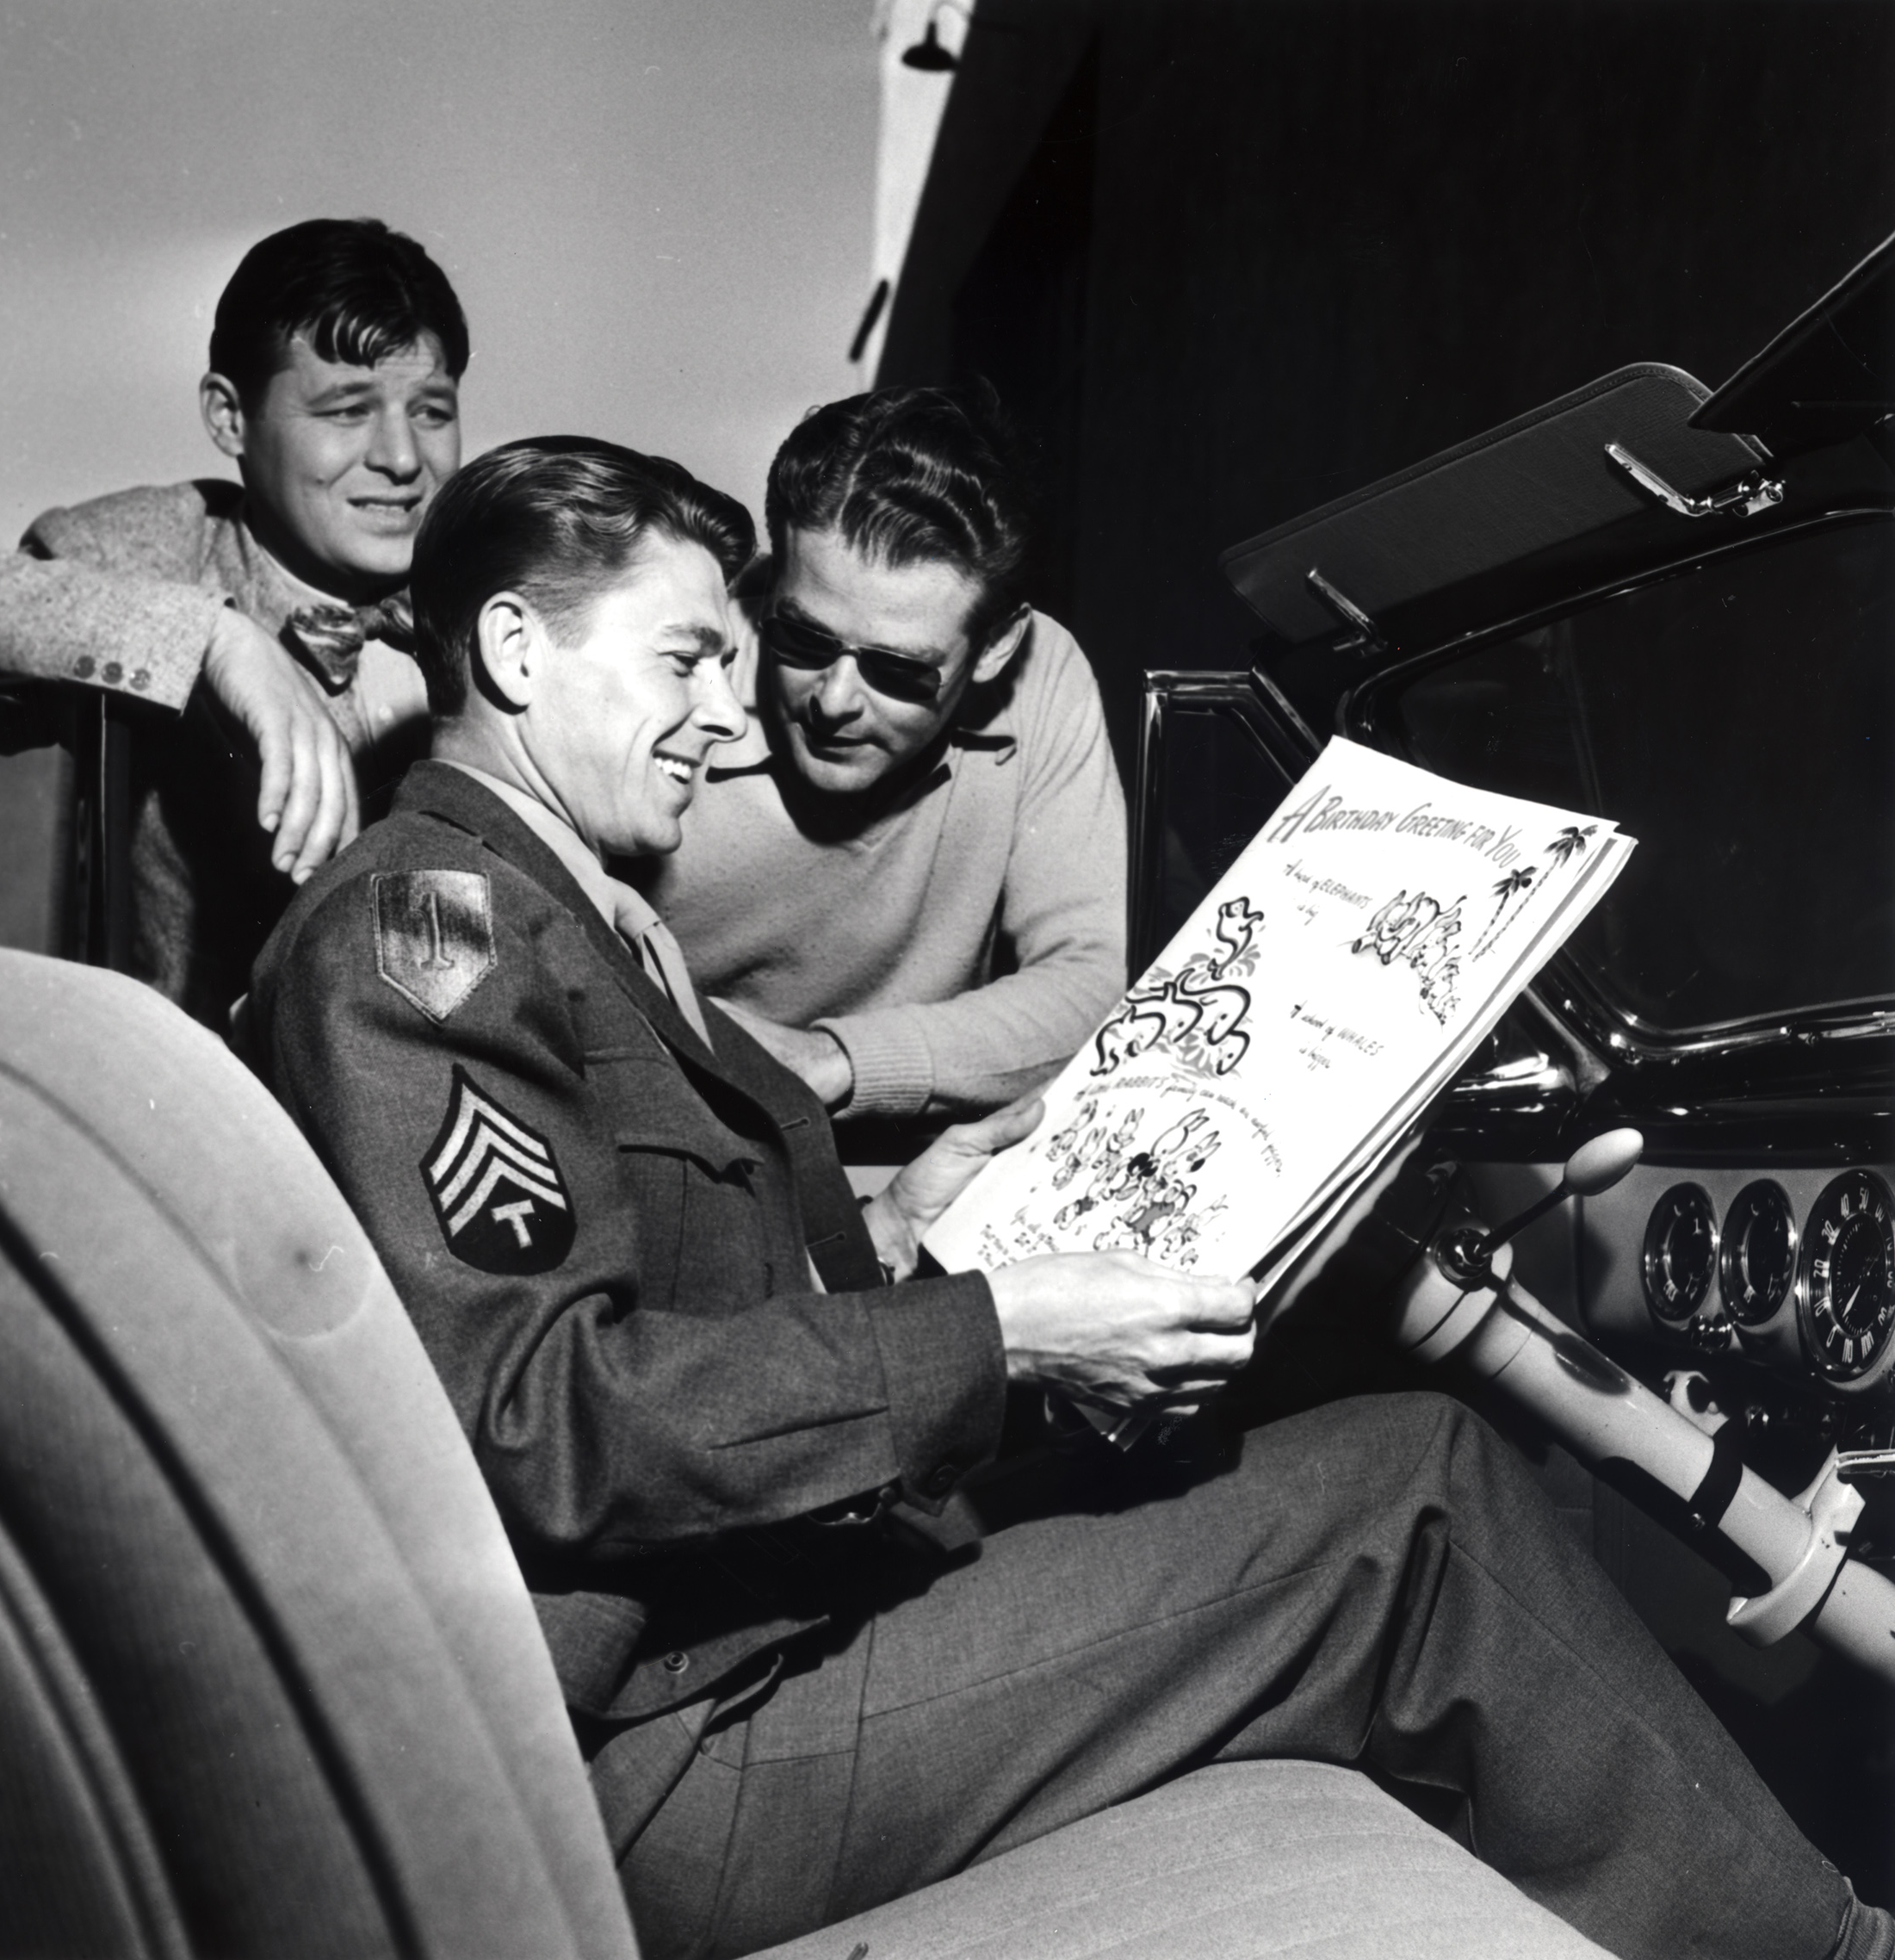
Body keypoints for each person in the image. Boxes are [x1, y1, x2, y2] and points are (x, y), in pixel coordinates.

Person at [248, 438, 1892, 1960]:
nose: (733, 720)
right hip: (663, 1750)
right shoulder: (423, 943)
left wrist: (902, 1235)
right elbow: (540, 1421)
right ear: (519, 653)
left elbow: (665, 1303)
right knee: (1415, 1504)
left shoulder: (571, 921)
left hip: (744, 1630)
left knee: (1389, 1457)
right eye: (684, 660)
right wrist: (992, 1333)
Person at [0, 215, 467, 1028]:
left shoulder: (495, 569)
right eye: (346, 411)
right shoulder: (154, 548)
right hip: (223, 1110)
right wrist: (210, 640)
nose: (403, 459)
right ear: (229, 418)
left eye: (432, 411)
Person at [629, 385, 1125, 1134]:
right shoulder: (670, 666)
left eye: (896, 670)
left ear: (995, 647)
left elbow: (1095, 983)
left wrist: (831, 1063)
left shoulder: (1044, 675)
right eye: (802, 639)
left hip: (913, 1148)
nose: (832, 702)